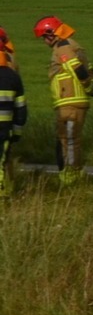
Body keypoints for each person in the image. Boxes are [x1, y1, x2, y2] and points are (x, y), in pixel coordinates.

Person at [35, 16, 93, 186]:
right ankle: (73, 174)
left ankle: (71, 177)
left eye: (44, 36)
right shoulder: (74, 45)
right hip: (73, 101)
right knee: (70, 140)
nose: (44, 41)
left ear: (52, 33)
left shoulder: (62, 47)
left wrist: (87, 86)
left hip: (70, 102)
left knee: (69, 141)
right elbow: (91, 69)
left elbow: (76, 68)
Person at [0, 28, 27, 200]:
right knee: (3, 160)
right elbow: (21, 108)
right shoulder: (12, 73)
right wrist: (16, 132)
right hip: (4, 127)